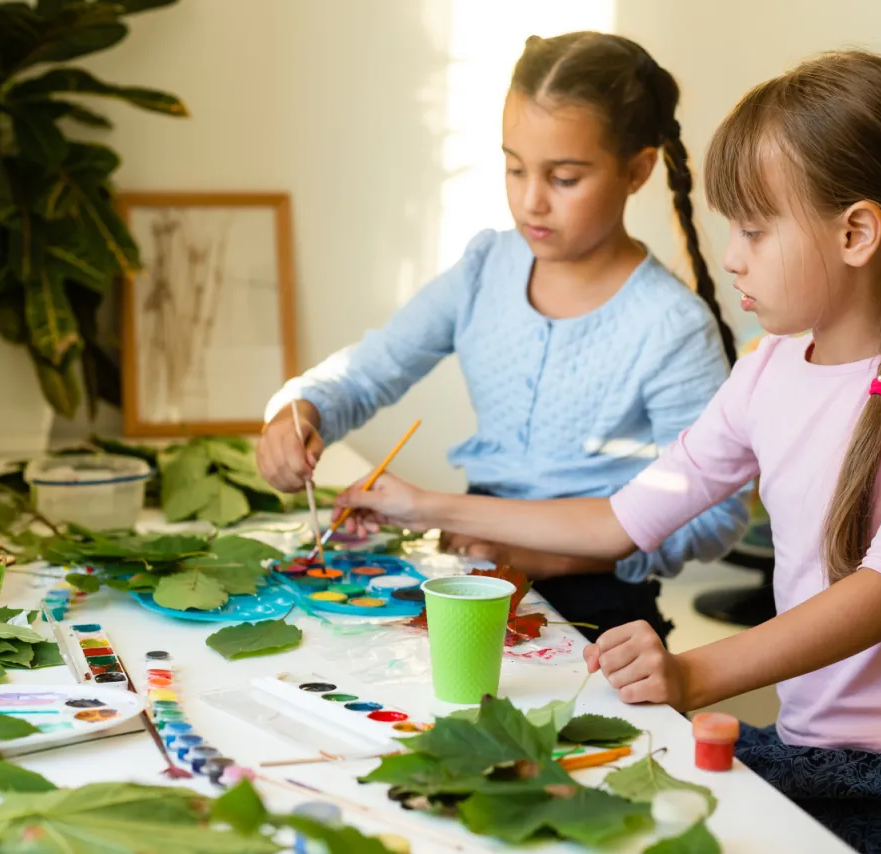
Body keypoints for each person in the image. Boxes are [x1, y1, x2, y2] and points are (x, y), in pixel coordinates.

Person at [332, 49, 881, 853]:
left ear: (857, 231)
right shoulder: (766, 373)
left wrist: (691, 675)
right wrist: (421, 504)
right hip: (810, 758)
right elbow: (622, 522)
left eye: (754, 228)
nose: (730, 255)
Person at [259, 32, 748, 642]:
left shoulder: (670, 325)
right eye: (514, 168)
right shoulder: (486, 267)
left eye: (564, 178)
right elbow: (366, 371)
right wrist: (301, 412)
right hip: (473, 576)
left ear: (638, 170)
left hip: (601, 615)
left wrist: (561, 557)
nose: (530, 201)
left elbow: (716, 511)